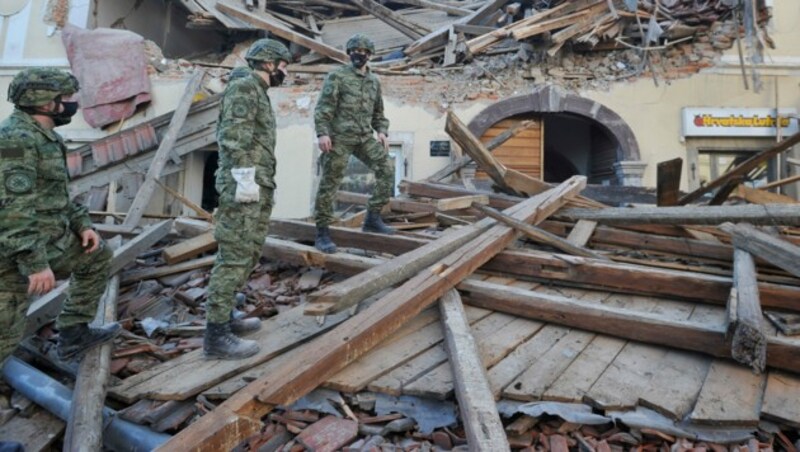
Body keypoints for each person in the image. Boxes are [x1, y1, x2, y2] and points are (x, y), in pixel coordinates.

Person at [0, 67, 120, 365]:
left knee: (96, 256)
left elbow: (58, 193)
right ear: (43, 101)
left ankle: (73, 335)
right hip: (13, 253)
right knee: (5, 334)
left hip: (50, 239)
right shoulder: (14, 140)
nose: (71, 102)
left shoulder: (46, 137)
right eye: (64, 97)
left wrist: (82, 224)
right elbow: (13, 210)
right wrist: (36, 265)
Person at [204, 38, 291, 360]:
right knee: (235, 255)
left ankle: (225, 318)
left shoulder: (257, 91)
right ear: (268, 64)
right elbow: (233, 136)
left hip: (256, 184)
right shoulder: (244, 88)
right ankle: (215, 337)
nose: (285, 72)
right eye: (283, 66)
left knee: (249, 250)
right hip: (244, 185)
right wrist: (244, 178)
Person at [313, 33, 396, 254]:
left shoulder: (373, 81)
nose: (359, 55)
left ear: (370, 55)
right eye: (355, 51)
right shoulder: (337, 77)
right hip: (339, 138)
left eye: (364, 52)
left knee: (387, 167)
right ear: (349, 53)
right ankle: (322, 232)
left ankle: (372, 218)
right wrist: (322, 133)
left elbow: (379, 113)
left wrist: (382, 131)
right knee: (330, 182)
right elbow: (324, 108)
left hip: (363, 138)